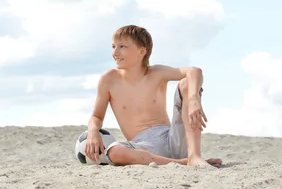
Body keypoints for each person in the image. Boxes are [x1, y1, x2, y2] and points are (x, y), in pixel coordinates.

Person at [85, 25, 222, 168]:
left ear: (141, 51)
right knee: (114, 152)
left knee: (187, 84)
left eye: (122, 47)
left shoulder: (156, 73)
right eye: (113, 46)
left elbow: (194, 71)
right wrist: (93, 132)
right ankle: (184, 162)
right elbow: (97, 116)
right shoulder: (109, 79)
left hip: (172, 138)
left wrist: (193, 99)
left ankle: (194, 156)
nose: (115, 52)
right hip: (142, 146)